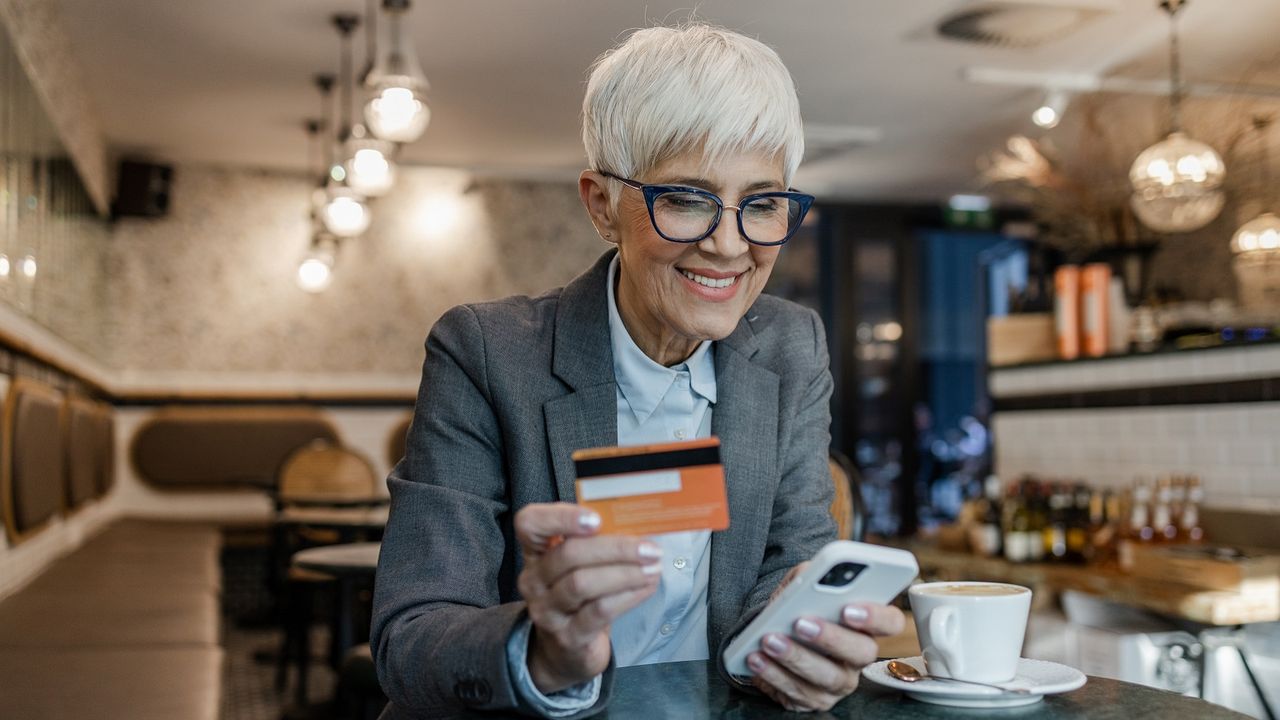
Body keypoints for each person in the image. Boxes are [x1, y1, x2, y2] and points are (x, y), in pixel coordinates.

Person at [371, 22, 905, 718]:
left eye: (763, 203)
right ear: (602, 205)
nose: (728, 245)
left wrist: (800, 644)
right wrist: (543, 651)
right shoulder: (486, 353)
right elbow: (410, 637)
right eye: (686, 199)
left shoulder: (789, 346)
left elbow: (789, 563)